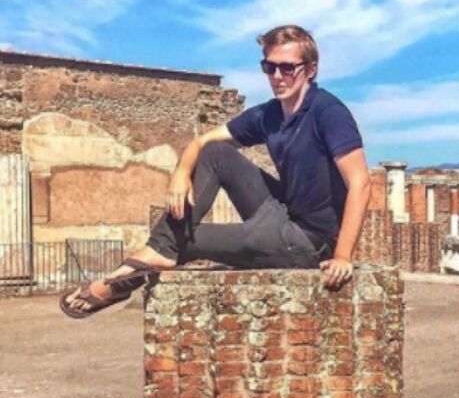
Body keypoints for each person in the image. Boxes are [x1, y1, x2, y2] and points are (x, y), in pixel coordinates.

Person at [61, 25, 370, 317]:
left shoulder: (328, 112)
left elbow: (361, 184)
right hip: (284, 213)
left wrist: (343, 255)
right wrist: (180, 173)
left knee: (184, 242)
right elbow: (203, 142)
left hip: (308, 242)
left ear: (311, 69)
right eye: (269, 67)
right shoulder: (270, 114)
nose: (277, 76)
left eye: (287, 68)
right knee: (216, 152)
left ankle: (126, 276)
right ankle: (156, 253)